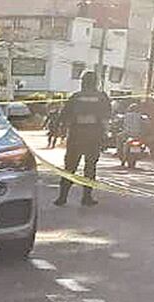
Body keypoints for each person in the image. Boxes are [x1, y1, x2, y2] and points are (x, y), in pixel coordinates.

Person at [55, 71, 111, 207]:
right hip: (94, 137)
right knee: (90, 167)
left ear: (83, 82)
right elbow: (106, 118)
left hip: (76, 136)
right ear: (96, 82)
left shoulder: (75, 97)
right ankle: (86, 198)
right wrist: (105, 136)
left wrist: (60, 130)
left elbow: (63, 116)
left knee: (69, 167)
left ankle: (62, 197)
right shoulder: (102, 97)